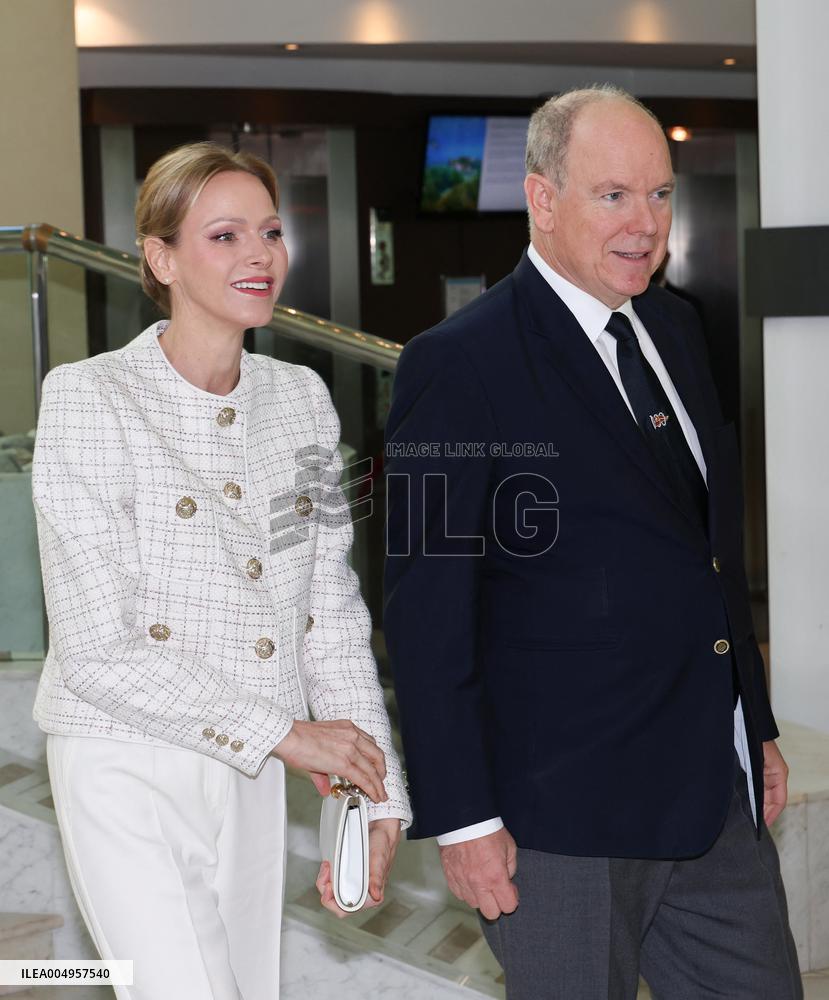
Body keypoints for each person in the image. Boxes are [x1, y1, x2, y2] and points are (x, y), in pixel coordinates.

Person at [384, 86, 801, 999]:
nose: (644, 223)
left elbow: (706, 551)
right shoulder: (455, 363)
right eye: (613, 195)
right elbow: (426, 612)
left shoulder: (676, 325)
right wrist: (461, 819)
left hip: (708, 794)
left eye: (659, 195)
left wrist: (752, 724)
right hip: (558, 824)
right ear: (542, 200)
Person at [32, 141, 411, 1000]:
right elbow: (96, 650)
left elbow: (328, 609)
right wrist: (287, 735)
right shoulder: (89, 397)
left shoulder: (301, 398)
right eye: (225, 235)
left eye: (270, 232)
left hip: (249, 765)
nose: (258, 255)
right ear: (160, 260)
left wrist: (375, 790)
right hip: (123, 758)